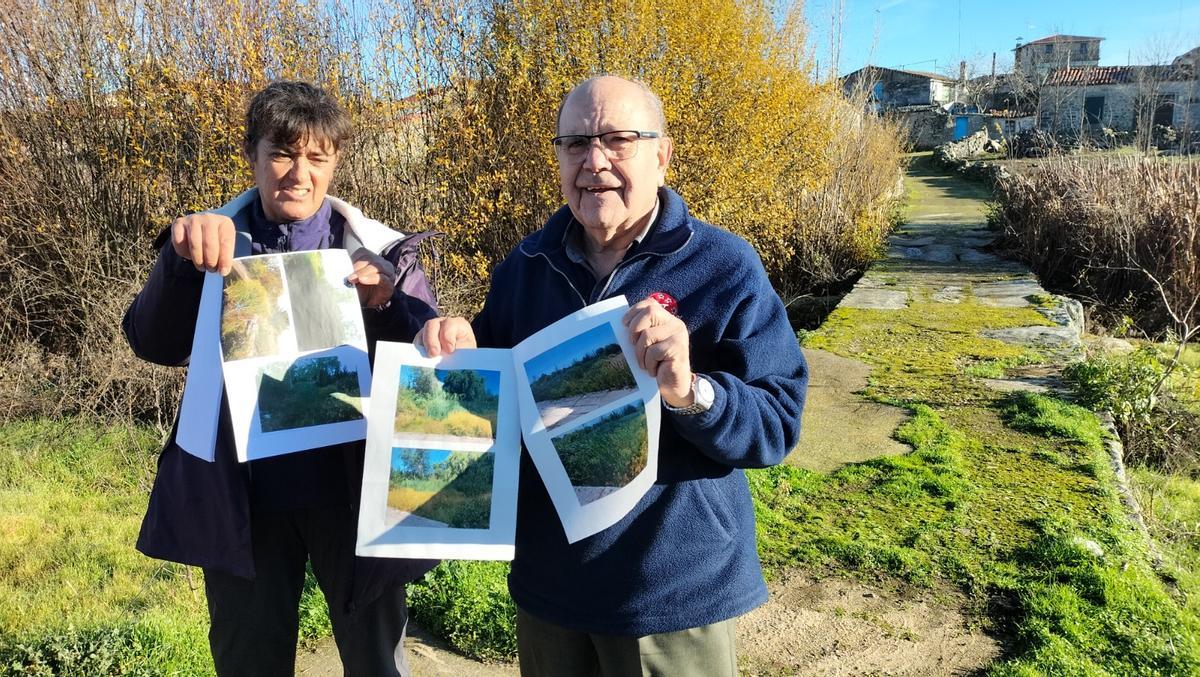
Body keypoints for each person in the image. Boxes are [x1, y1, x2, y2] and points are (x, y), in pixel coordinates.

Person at [418, 75, 808, 676]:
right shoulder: (525, 266)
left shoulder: (722, 266)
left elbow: (777, 423)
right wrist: (462, 348)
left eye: (617, 140)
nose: (594, 161)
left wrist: (691, 392)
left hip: (671, 595)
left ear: (662, 154)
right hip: (551, 589)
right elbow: (491, 408)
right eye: (574, 144)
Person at [124, 81, 437, 677]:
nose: (299, 173)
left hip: (355, 501)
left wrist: (389, 304)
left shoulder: (381, 250)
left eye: (317, 157)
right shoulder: (213, 240)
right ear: (253, 156)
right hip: (245, 504)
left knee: (377, 665)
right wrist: (180, 261)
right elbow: (152, 343)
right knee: (248, 663)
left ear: (335, 164)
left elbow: (431, 360)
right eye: (282, 153)